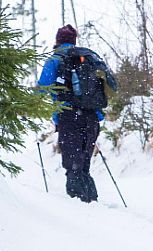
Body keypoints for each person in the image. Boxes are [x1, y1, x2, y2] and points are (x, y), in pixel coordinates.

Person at [38, 24, 117, 203]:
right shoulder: (89, 58)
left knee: (73, 167)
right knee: (83, 166)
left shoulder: (56, 59)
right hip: (92, 118)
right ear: (74, 41)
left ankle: (79, 210)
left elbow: (42, 89)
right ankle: (91, 203)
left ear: (57, 41)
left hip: (69, 117)